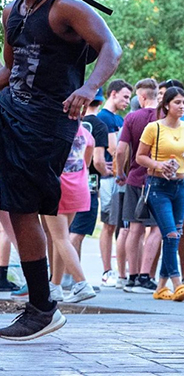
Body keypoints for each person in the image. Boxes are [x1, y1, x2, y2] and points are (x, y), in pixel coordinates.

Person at [0, 0, 121, 341]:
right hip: (11, 109)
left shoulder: (65, 7)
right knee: (17, 209)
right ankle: (41, 306)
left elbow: (111, 47)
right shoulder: (11, 12)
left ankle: (42, 308)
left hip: (47, 120)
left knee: (22, 208)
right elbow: (9, 72)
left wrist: (88, 89)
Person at [136, 86, 184, 301]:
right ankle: (177, 282)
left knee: (176, 234)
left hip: (181, 186)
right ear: (166, 105)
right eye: (177, 103)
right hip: (158, 186)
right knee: (171, 234)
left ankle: (161, 286)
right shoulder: (154, 128)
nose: (182, 106)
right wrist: (159, 164)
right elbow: (139, 157)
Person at [116, 78, 162, 294]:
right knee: (156, 229)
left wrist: (120, 172)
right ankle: (145, 276)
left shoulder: (132, 117)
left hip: (134, 178)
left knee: (133, 228)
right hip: (157, 179)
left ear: (141, 97)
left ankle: (131, 276)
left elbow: (120, 149)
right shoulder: (163, 118)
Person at [43, 123, 97, 303]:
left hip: (57, 187)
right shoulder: (81, 129)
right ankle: (55, 285)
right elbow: (89, 151)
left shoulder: (52, 127)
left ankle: (81, 283)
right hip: (78, 187)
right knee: (62, 237)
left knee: (59, 238)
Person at [68, 89, 111, 283]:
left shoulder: (67, 122)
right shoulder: (98, 126)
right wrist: (108, 173)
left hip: (62, 180)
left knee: (64, 232)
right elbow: (98, 160)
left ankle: (62, 275)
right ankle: (72, 277)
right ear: (99, 102)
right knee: (77, 233)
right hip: (86, 184)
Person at [97, 79, 132, 287]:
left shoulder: (119, 119)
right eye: (125, 96)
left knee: (118, 223)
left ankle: (117, 269)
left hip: (120, 176)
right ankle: (106, 270)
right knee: (109, 224)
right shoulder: (104, 118)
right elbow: (113, 148)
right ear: (113, 94)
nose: (127, 101)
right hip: (109, 177)